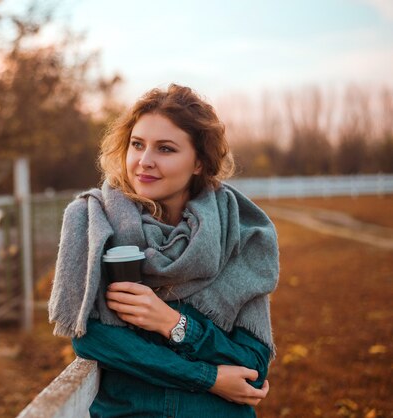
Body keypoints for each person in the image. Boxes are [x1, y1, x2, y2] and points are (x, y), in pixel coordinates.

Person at [48, 84, 279, 417]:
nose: (144, 161)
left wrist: (174, 323)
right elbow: (92, 339)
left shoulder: (239, 230)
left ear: (199, 162)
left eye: (165, 149)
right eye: (137, 145)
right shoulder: (94, 222)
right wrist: (208, 377)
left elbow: (252, 364)